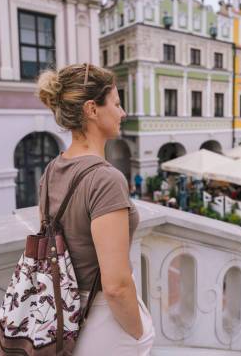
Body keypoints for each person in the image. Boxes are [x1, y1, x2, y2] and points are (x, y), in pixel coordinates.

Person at [36, 63, 154, 355]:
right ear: (92, 109)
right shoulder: (105, 179)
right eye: (116, 103)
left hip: (63, 314)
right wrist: (140, 334)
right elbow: (115, 286)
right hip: (102, 318)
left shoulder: (51, 171)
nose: (122, 112)